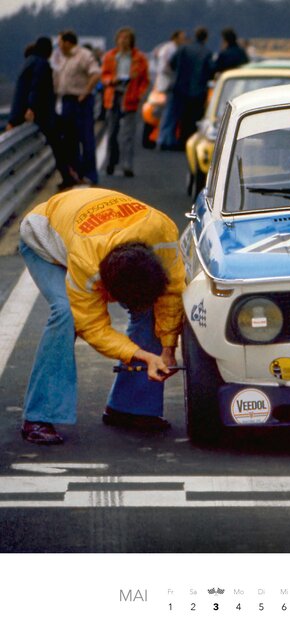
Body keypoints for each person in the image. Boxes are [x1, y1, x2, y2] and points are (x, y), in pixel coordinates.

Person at [17, 188, 186, 444]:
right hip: (43, 239)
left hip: (90, 229)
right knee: (65, 313)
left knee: (152, 308)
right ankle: (38, 416)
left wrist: (168, 349)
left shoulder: (164, 232)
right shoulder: (87, 263)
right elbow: (92, 326)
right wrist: (142, 355)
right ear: (105, 288)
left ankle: (130, 408)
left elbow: (171, 293)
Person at [6, 36, 80, 190]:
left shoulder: (30, 61)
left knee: (58, 142)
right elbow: (36, 87)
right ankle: (68, 174)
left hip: (26, 112)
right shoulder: (41, 63)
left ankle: (69, 174)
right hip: (42, 114)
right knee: (59, 142)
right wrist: (31, 108)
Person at [54, 29, 101, 185]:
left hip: (81, 100)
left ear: (68, 42)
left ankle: (90, 174)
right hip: (66, 100)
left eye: (60, 42)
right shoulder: (62, 58)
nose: (59, 46)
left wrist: (86, 92)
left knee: (86, 138)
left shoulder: (83, 55)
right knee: (70, 139)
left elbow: (96, 73)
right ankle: (76, 173)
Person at [101, 27, 149, 178]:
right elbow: (103, 75)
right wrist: (111, 80)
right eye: (121, 38)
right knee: (112, 132)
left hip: (130, 95)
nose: (123, 41)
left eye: (126, 38)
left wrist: (139, 94)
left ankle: (127, 164)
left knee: (128, 134)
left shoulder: (139, 58)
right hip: (114, 94)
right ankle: (111, 162)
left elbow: (145, 80)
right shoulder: (110, 56)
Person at [162, 26, 213, 150]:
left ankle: (171, 140)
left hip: (180, 87)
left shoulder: (183, 48)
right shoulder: (207, 52)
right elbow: (210, 70)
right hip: (198, 90)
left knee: (177, 116)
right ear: (206, 38)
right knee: (194, 118)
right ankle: (189, 142)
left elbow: (172, 63)